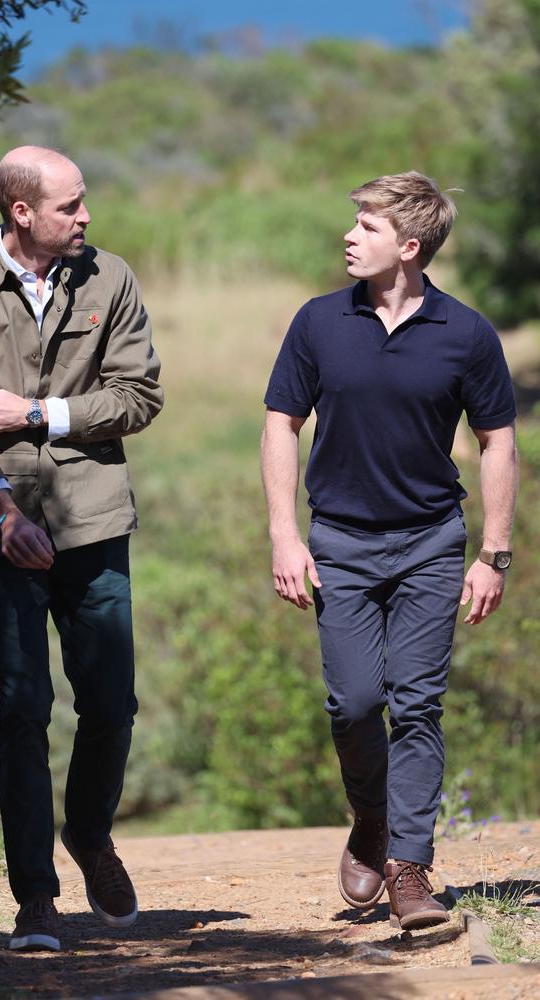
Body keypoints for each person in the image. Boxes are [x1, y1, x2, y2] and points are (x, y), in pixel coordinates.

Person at [0, 145, 163, 952]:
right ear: (21, 212)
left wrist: (37, 413)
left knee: (111, 705)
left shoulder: (111, 278)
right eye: (70, 205)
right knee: (22, 710)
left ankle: (89, 834)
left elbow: (138, 396)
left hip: (93, 520)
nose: (85, 216)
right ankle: (35, 903)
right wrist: (0, 513)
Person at [261, 171, 517, 931]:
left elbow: (498, 440)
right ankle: (370, 818)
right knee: (354, 703)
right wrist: (284, 533)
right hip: (339, 542)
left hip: (431, 544)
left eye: (366, 227)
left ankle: (409, 868)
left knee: (417, 704)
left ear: (409, 247)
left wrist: (493, 554)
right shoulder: (317, 322)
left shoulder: (466, 334)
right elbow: (282, 423)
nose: (349, 236)